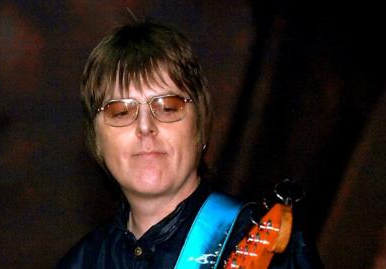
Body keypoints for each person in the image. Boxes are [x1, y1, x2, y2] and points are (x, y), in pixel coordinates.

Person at [56, 20, 322, 269]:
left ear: (201, 125)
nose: (145, 127)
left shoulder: (272, 249)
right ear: (96, 139)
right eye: (121, 111)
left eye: (168, 107)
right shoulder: (82, 261)